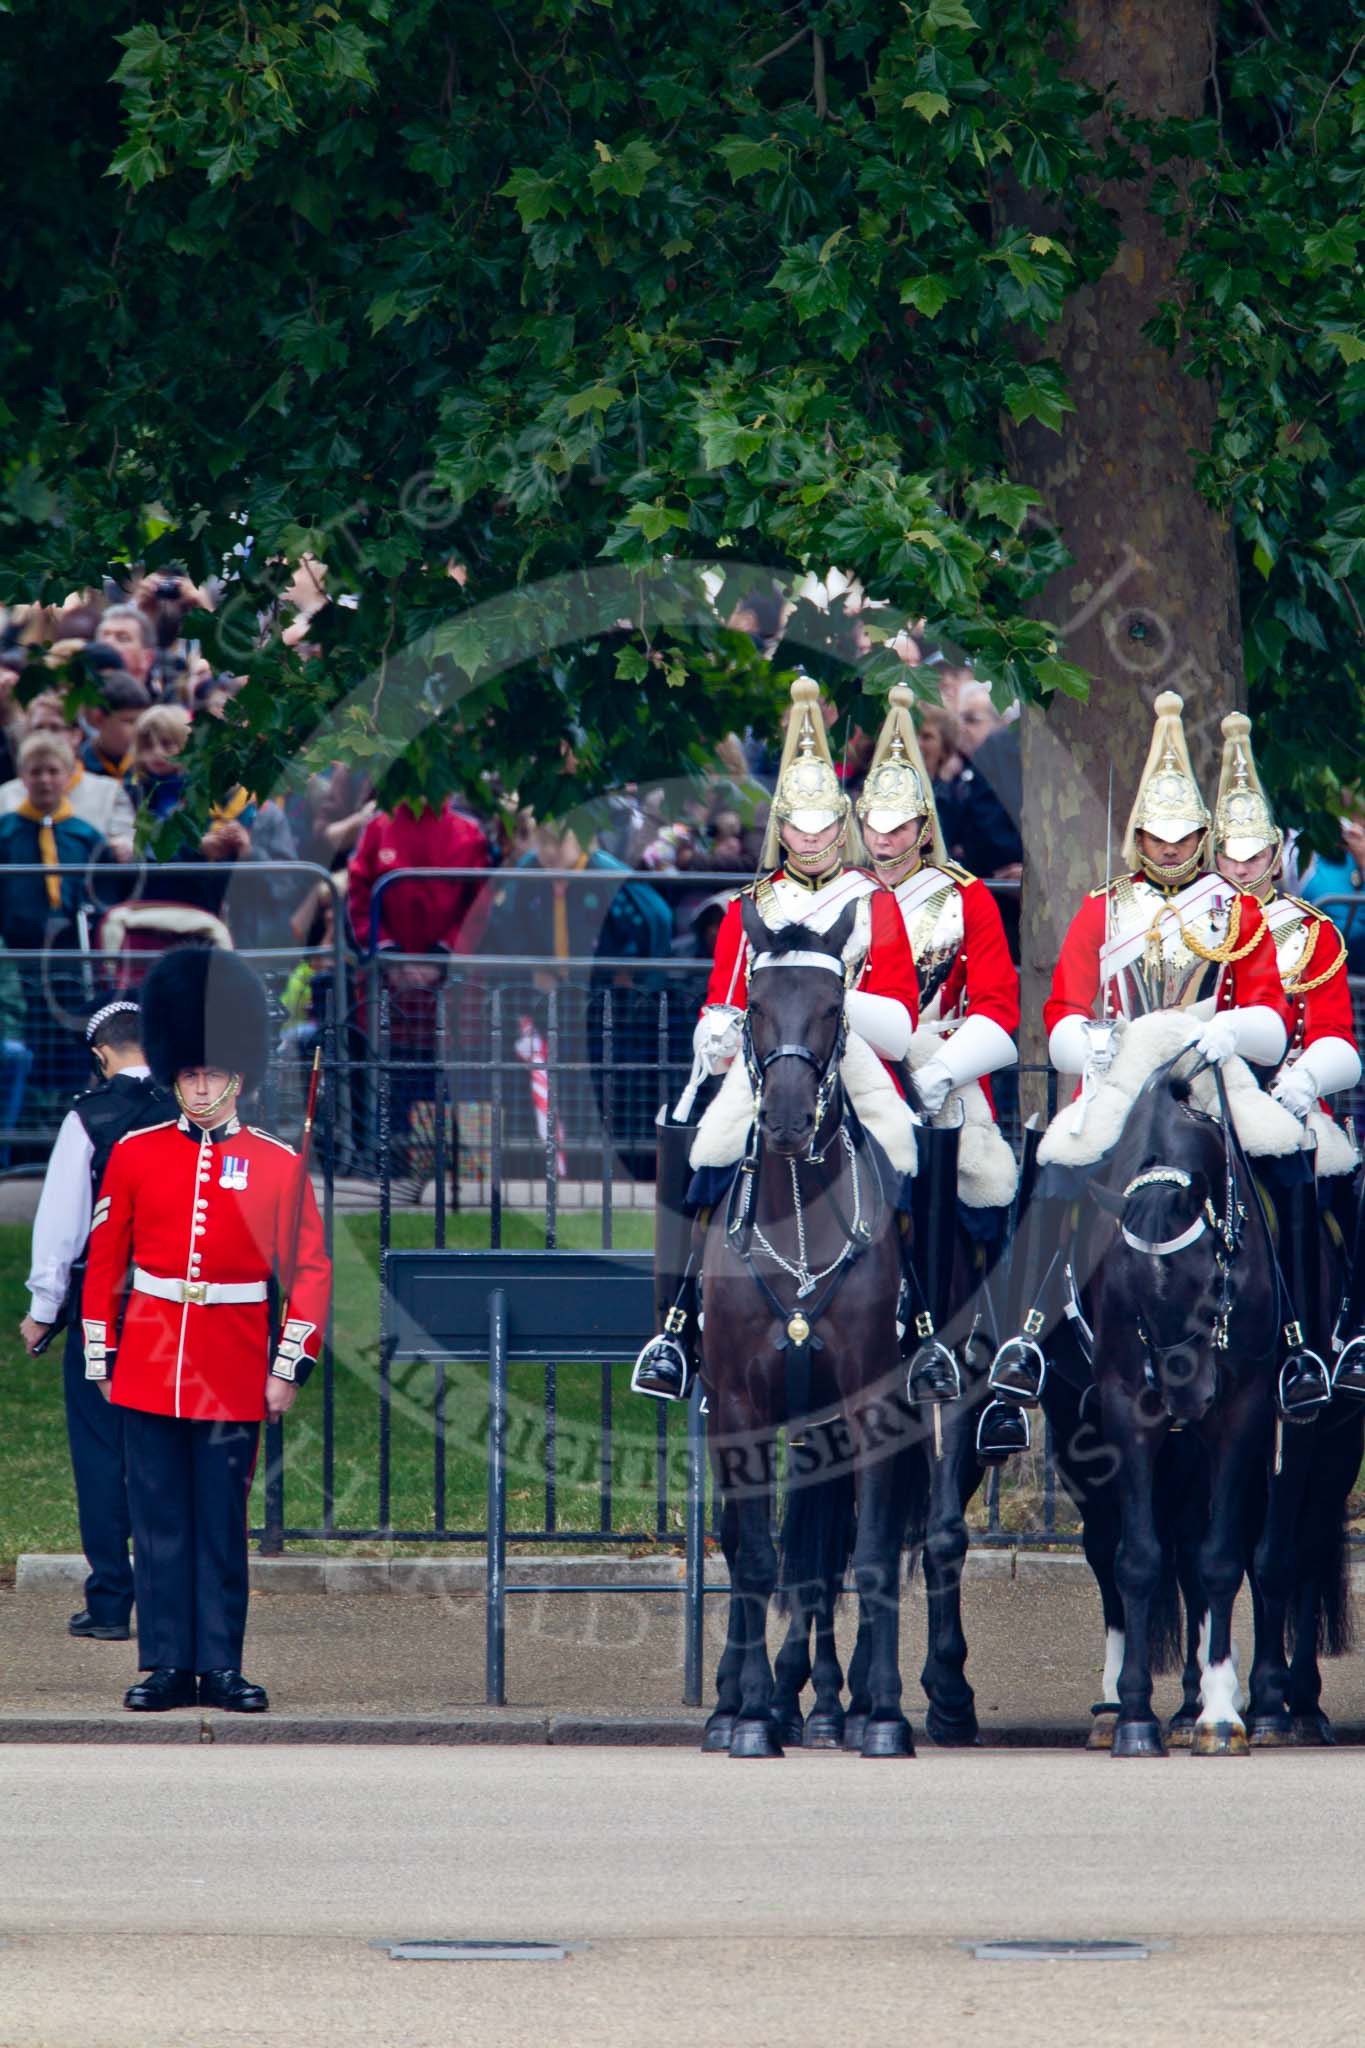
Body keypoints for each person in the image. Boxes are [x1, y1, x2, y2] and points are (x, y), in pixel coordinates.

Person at [987, 689, 1297, 1434]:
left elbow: (1270, 1018)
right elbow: (1061, 1009)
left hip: (1205, 1073)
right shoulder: (1102, 907)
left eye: (1182, 835)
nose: (1167, 849)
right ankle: (1024, 1335)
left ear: (1200, 833)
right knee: (1059, 1160)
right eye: (1155, 837)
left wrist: (1234, 1031)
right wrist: (1083, 1043)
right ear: (1136, 835)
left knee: (1281, 1157)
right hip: (1123, 1072)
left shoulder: (1237, 909)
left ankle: (1299, 1334)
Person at [632, 674, 919, 1402]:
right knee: (704, 1149)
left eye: (827, 826)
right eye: (801, 825)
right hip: (769, 1060)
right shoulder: (749, 905)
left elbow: (895, 1001)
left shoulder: (873, 900)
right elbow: (724, 995)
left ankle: (917, 1318)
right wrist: (715, 1033)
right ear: (781, 828)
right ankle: (673, 1326)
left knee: (908, 1146)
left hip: (846, 1053)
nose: (814, 839)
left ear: (842, 827)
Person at [82, 948, 331, 1712]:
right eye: (188, 1071)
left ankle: (219, 1664)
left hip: (230, 1366)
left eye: (211, 1072)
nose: (198, 1083)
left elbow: (311, 1274)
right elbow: (105, 1263)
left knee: (221, 1526)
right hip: (152, 1363)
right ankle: (164, 1664)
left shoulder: (276, 1165)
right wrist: (101, 1350)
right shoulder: (134, 1154)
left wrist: (286, 1366)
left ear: (238, 1077)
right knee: (157, 1524)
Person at [855, 685, 1023, 1455]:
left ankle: (995, 1363)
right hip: (844, 1067)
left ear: (923, 826)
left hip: (937, 1071)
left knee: (987, 1203)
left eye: (898, 827)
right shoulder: (838, 898)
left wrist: (945, 1068)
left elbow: (996, 1008)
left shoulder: (967, 901)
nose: (884, 841)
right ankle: (690, 1330)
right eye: (873, 826)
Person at [1208, 714, 1363, 1405]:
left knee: (1323, 1185)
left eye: (1253, 855)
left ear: (1274, 855)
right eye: (1228, 854)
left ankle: (1315, 1339)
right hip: (1201, 1096)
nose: (1241, 868)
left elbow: (1336, 1036)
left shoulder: (1311, 930)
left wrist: (1305, 1080)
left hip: (1289, 1100)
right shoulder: (1186, 922)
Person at [20, 1001, 169, 1640]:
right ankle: (169, 1597)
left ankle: (112, 1600)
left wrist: (43, 1310)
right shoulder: (186, 1113)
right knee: (167, 1454)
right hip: (177, 1309)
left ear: (101, 1054)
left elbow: (62, 1225)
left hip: (104, 1308)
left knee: (102, 1452)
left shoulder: (89, 1117)